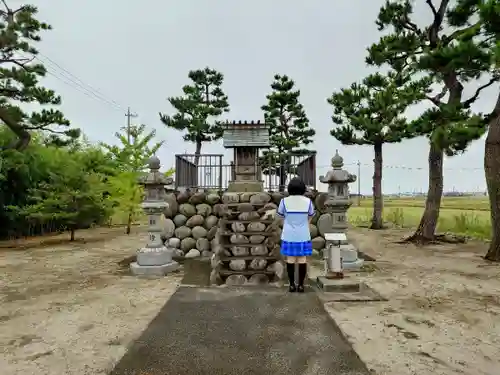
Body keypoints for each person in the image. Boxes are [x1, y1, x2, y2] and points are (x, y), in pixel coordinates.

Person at [276, 177, 314, 293]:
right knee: (302, 259)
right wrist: (305, 224)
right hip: (303, 234)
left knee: (290, 259)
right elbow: (311, 215)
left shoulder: (284, 201)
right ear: (303, 189)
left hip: (288, 234)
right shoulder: (308, 202)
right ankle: (301, 285)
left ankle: (292, 285)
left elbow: (280, 216)